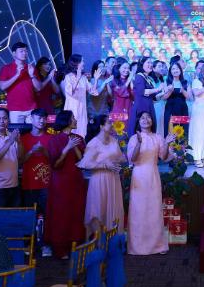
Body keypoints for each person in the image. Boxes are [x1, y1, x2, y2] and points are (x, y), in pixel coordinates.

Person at [127, 112, 175, 255]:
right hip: (139, 176)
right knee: (138, 210)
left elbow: (164, 157)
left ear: (152, 121)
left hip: (153, 175)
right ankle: (137, 246)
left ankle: (158, 245)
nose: (146, 120)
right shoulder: (134, 138)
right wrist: (139, 143)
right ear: (138, 122)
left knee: (154, 210)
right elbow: (133, 159)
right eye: (142, 118)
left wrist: (167, 143)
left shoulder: (157, 137)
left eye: (148, 117)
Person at [45, 110, 86, 259]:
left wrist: (73, 145)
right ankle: (60, 248)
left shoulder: (79, 138)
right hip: (60, 183)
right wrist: (67, 147)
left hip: (76, 181)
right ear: (66, 121)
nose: (75, 120)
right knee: (61, 214)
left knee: (77, 212)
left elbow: (82, 161)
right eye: (73, 118)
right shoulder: (54, 140)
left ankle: (75, 245)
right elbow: (55, 164)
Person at [78, 115, 127, 237]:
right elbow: (85, 164)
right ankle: (98, 242)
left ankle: (113, 241)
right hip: (99, 180)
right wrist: (104, 165)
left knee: (114, 210)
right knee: (98, 210)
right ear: (101, 126)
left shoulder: (114, 140)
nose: (112, 124)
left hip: (113, 179)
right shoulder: (94, 143)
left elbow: (120, 157)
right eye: (109, 122)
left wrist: (122, 159)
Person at [19, 108, 51, 215]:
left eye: (44, 118)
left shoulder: (51, 138)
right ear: (31, 119)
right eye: (39, 118)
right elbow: (20, 161)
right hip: (29, 184)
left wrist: (44, 151)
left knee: (47, 216)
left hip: (47, 184)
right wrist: (31, 151)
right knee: (30, 216)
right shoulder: (23, 139)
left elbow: (55, 161)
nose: (42, 121)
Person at [0, 42, 40, 123]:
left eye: (26, 51)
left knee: (32, 130)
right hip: (15, 109)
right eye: (21, 51)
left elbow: (38, 88)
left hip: (32, 108)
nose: (24, 53)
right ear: (14, 53)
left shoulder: (31, 68)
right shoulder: (6, 68)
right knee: (17, 130)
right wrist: (17, 75)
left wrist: (32, 75)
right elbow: (2, 87)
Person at [127, 57, 163, 137]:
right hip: (141, 108)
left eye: (151, 63)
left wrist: (164, 92)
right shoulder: (139, 76)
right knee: (140, 132)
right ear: (142, 64)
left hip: (149, 107)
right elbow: (142, 91)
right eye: (148, 62)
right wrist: (158, 89)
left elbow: (154, 98)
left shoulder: (148, 78)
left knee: (150, 132)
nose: (150, 65)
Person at [58, 54, 91, 137]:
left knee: (81, 133)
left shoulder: (82, 78)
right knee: (73, 133)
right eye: (82, 61)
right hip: (72, 109)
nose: (84, 63)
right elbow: (70, 95)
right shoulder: (66, 79)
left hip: (81, 109)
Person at [163, 60, 191, 136]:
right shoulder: (167, 82)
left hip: (183, 109)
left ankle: (182, 144)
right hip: (170, 110)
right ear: (170, 71)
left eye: (177, 68)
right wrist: (170, 91)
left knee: (182, 132)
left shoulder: (185, 82)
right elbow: (164, 97)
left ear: (180, 70)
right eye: (173, 69)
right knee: (171, 131)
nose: (175, 70)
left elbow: (189, 97)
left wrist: (183, 91)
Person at [152, 60, 172, 137]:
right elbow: (154, 96)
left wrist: (169, 90)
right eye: (159, 66)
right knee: (156, 126)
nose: (162, 68)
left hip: (162, 105)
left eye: (162, 67)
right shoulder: (151, 79)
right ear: (153, 68)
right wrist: (165, 91)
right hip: (155, 105)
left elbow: (164, 96)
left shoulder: (162, 79)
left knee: (161, 127)